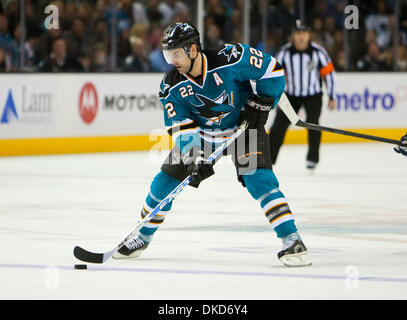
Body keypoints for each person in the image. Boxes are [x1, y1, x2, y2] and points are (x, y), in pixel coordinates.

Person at [112, 22, 311, 267]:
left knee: (259, 179)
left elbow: (273, 70)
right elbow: (181, 126)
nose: (171, 61)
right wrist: (195, 157)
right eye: (167, 54)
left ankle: (292, 239)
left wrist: (262, 102)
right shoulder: (170, 86)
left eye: (175, 53)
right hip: (203, 136)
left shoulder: (231, 57)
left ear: (193, 49)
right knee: (164, 182)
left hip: (244, 128)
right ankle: (142, 237)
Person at [268, 21, 336, 171]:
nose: (301, 37)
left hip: (313, 95)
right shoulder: (284, 52)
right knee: (279, 126)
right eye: (298, 33)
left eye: (304, 33)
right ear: (293, 35)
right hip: (292, 95)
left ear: (308, 35)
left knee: (313, 124)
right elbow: (272, 75)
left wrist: (332, 96)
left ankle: (312, 158)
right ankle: (269, 159)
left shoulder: (318, 52)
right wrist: (275, 96)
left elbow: (329, 73)